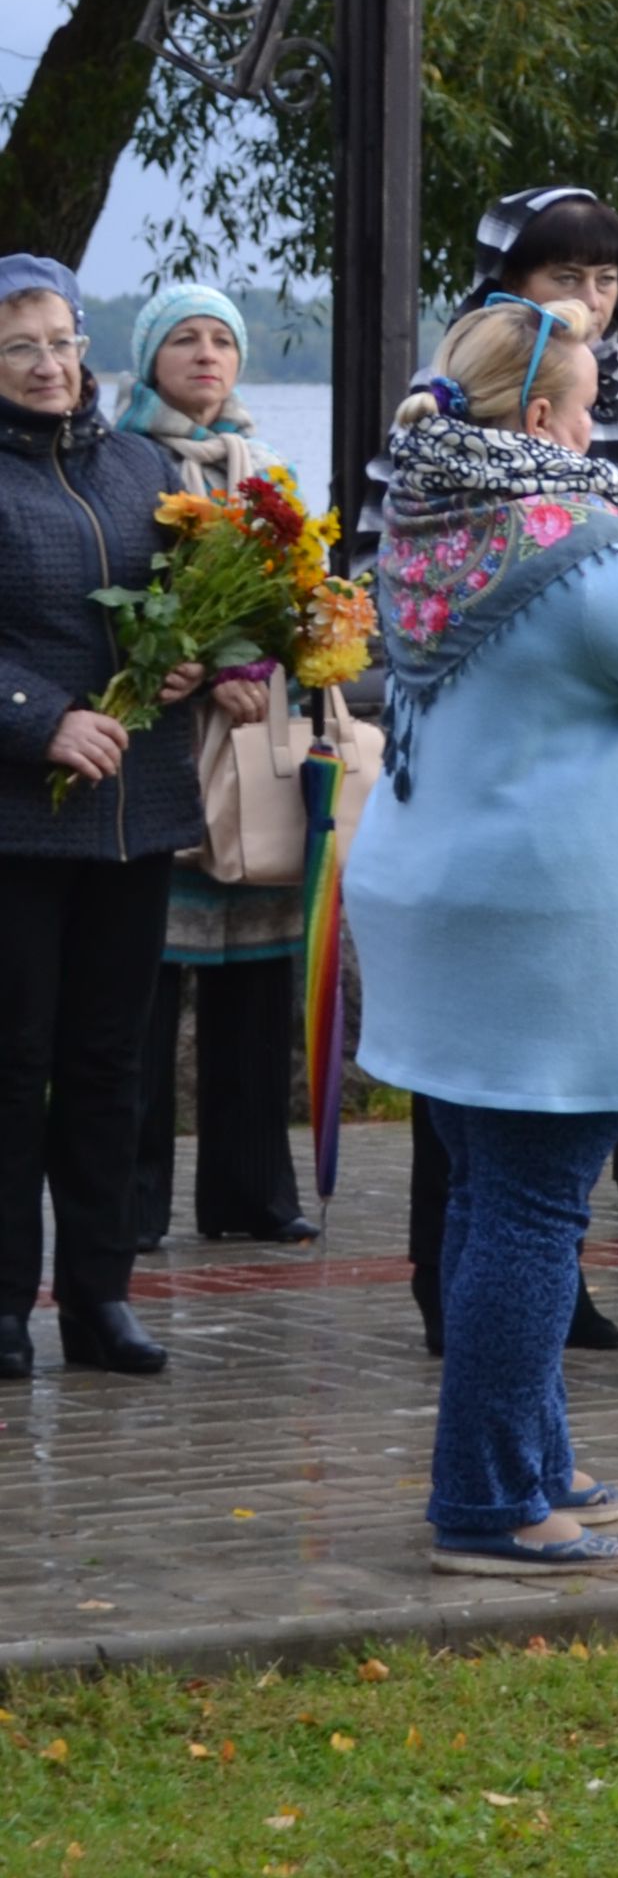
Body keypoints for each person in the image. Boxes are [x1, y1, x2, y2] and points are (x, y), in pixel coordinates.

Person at [350, 300, 618, 1571]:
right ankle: (488, 1502)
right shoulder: (562, 539)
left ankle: (529, 1459)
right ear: (537, 419)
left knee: (497, 1201)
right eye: (591, 400)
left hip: (454, 909)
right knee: (536, 1211)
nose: (601, 421)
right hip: (549, 931)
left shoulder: (434, 528)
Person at [0, 260, 235, 1377]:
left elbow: (186, 602)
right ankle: (3, 1302)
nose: (50, 366)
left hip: (134, 812)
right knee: (11, 1059)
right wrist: (37, 719)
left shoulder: (142, 461)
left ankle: (100, 1296)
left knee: (108, 1062)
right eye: (21, 349)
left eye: (61, 341)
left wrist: (197, 655)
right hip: (19, 821)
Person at [114, 282, 315, 1250]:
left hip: (252, 753)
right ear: (148, 359)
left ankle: (252, 1196)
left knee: (258, 978)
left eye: (222, 341)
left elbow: (303, 594)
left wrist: (269, 657)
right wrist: (187, 664)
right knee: (146, 988)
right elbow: (108, 592)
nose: (205, 356)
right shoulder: (121, 464)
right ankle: (131, 1200)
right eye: (183, 340)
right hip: (159, 749)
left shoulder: (264, 470)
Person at [464, 189, 618, 489]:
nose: (591, 300)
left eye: (606, 279)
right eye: (567, 278)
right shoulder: (457, 390)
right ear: (512, 283)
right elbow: (390, 528)